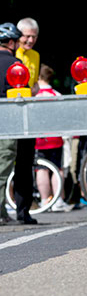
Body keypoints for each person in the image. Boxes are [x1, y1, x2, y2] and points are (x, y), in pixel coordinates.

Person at [0, 22, 37, 224]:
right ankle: (21, 213)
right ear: (12, 42)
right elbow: (21, 94)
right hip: (13, 121)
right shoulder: (16, 66)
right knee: (16, 167)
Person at [34, 65, 73, 212]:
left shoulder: (34, 95)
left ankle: (44, 200)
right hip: (55, 137)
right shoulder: (56, 94)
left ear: (39, 77)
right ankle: (58, 201)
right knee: (58, 169)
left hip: (39, 138)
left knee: (41, 170)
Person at [15, 17, 39, 88]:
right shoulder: (12, 54)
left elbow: (35, 81)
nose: (31, 40)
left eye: (34, 37)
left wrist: (36, 87)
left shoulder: (36, 55)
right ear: (19, 35)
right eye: (27, 36)